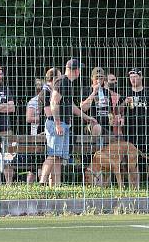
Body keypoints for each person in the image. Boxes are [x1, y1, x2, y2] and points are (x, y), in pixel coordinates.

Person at [45, 58, 94, 186]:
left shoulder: (67, 83)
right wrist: (57, 123)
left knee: (58, 157)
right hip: (57, 124)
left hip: (64, 124)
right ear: (77, 71)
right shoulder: (62, 82)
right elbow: (54, 102)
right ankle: (41, 182)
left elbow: (70, 106)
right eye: (80, 70)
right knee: (53, 154)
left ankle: (56, 184)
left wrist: (86, 117)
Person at [120, 68, 149, 188]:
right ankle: (135, 189)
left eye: (135, 76)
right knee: (133, 162)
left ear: (141, 77)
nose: (133, 79)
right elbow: (118, 111)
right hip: (131, 132)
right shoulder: (125, 93)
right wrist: (124, 102)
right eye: (131, 77)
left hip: (148, 131)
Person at [78, 67, 111, 145]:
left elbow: (109, 110)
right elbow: (83, 108)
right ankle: (98, 153)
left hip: (105, 125)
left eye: (101, 78)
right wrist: (94, 92)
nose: (98, 80)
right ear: (91, 78)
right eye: (96, 78)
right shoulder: (86, 90)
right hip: (90, 125)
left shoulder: (106, 92)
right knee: (97, 127)